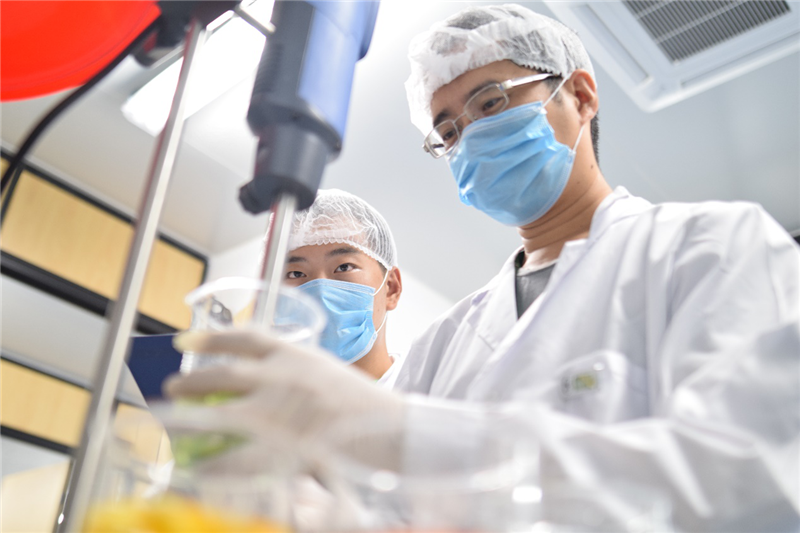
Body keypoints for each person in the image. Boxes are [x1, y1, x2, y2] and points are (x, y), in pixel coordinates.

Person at [166, 4, 800, 531]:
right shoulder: (446, 343)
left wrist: (402, 434)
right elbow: (394, 516)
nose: (468, 138)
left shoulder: (711, 248)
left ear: (580, 96)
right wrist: (294, 507)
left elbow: (751, 478)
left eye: (491, 102)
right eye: (447, 130)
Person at [281, 188, 402, 380]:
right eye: (296, 273)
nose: (320, 292)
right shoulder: (262, 395)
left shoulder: (427, 388)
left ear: (391, 288)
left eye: (344, 267)